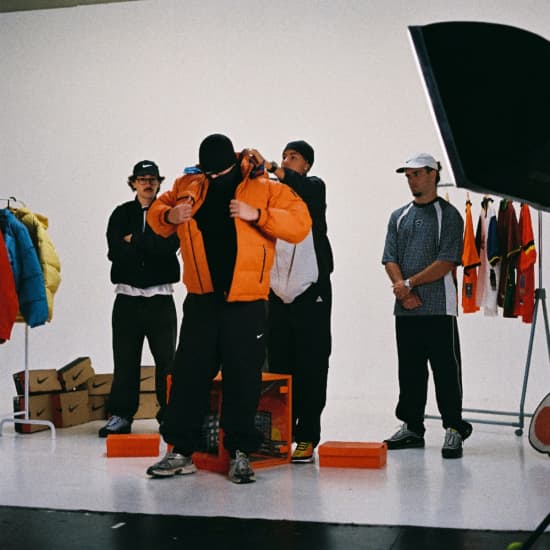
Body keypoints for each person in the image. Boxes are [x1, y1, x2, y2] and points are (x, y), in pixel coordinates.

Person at [145, 134, 311, 483]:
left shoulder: (264, 186)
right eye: (210, 174)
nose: (215, 179)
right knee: (188, 376)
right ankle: (181, 451)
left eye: (220, 174)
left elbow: (300, 223)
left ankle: (240, 454)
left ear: (232, 165)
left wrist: (258, 214)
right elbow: (157, 213)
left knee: (243, 377)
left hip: (247, 302)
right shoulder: (188, 184)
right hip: (202, 298)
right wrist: (170, 215)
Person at [381, 153, 473, 459]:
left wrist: (409, 284)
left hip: (438, 308)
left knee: (446, 369)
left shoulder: (449, 216)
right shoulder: (399, 216)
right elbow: (389, 258)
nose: (412, 180)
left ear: (433, 174)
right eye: (408, 176)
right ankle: (412, 426)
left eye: (417, 174)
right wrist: (403, 291)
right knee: (409, 370)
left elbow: (447, 261)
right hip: (406, 308)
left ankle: (454, 428)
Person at [248, 141, 333, 464]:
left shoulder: (314, 187)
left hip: (311, 294)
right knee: (280, 366)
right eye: (284, 156)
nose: (286, 161)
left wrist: (272, 166)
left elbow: (300, 185)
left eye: (293, 157)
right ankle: (282, 432)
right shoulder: (275, 192)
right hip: (278, 296)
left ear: (307, 165)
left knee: (312, 365)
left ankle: (307, 435)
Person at [99, 160, 180, 437]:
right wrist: (151, 247)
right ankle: (121, 415)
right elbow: (114, 251)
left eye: (152, 179)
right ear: (133, 183)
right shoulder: (121, 213)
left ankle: (169, 416)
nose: (148, 184)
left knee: (167, 362)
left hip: (160, 298)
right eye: (142, 179)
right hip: (127, 298)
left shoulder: (168, 213)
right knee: (125, 360)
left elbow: (170, 247)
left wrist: (136, 240)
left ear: (159, 183)